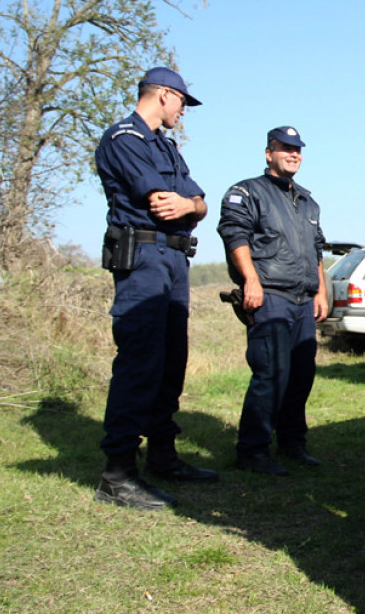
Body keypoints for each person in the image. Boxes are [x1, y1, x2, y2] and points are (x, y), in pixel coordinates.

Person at [93, 66, 216, 510]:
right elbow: (162, 201)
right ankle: (118, 473)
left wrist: (192, 204)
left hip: (173, 259)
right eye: (182, 102)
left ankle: (163, 457)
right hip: (143, 258)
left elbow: (199, 201)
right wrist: (187, 204)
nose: (183, 111)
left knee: (171, 362)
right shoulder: (124, 138)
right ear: (164, 94)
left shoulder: (165, 144)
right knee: (141, 359)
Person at [217, 126, 328, 476]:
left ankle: (293, 443)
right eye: (285, 149)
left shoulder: (309, 200)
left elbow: (317, 250)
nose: (293, 154)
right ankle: (252, 451)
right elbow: (235, 235)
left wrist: (321, 292)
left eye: (297, 150)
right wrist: (251, 280)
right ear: (269, 154)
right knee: (272, 373)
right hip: (270, 296)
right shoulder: (247, 192)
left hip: (303, 299)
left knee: (301, 374)